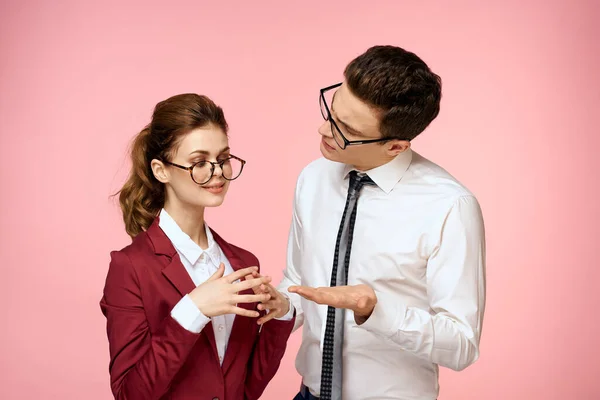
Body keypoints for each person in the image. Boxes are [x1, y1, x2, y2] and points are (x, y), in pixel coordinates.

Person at [263, 45, 486, 400]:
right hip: (307, 393)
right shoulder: (314, 177)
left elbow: (461, 344)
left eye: (345, 128)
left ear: (395, 146)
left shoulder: (449, 207)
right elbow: (300, 284)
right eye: (331, 110)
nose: (323, 129)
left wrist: (375, 311)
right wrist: (280, 305)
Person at [99, 93, 294, 400]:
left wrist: (282, 315)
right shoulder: (131, 267)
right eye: (199, 162)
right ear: (161, 170)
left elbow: (247, 389)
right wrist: (193, 310)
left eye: (223, 158)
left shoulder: (242, 263)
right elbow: (129, 395)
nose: (217, 172)